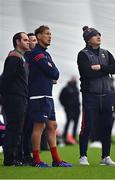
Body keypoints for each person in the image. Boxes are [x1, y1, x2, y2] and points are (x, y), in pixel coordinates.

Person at [27, 25, 72, 167]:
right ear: (39, 36)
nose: (50, 36)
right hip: (38, 96)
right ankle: (37, 160)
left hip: (48, 96)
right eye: (47, 34)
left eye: (50, 34)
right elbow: (52, 72)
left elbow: (56, 72)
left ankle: (56, 160)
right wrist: (51, 71)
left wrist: (51, 71)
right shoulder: (35, 53)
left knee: (52, 126)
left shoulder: (46, 54)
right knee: (39, 127)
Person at [77, 26, 115, 166]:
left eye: (99, 35)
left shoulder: (105, 53)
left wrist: (101, 67)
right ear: (88, 39)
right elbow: (86, 74)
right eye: (95, 35)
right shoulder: (83, 54)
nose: (99, 37)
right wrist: (106, 70)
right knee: (87, 126)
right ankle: (83, 156)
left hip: (106, 95)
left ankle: (105, 157)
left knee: (107, 126)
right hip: (90, 96)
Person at [1, 32, 29, 166]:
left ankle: (14, 157)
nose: (28, 42)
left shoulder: (20, 58)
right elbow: (6, 79)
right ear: (17, 42)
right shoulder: (14, 58)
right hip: (14, 98)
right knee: (14, 128)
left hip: (19, 97)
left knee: (16, 128)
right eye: (25, 40)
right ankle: (10, 159)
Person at [22, 33, 38, 165]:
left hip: (30, 98)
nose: (34, 43)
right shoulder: (22, 59)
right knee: (25, 128)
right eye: (32, 40)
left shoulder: (33, 59)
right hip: (23, 98)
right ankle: (24, 155)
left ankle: (27, 155)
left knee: (29, 128)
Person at [59, 76, 80, 145]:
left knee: (76, 123)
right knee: (68, 122)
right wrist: (65, 106)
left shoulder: (76, 88)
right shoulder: (66, 88)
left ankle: (73, 137)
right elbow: (61, 98)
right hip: (69, 109)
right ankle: (64, 137)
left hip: (77, 109)